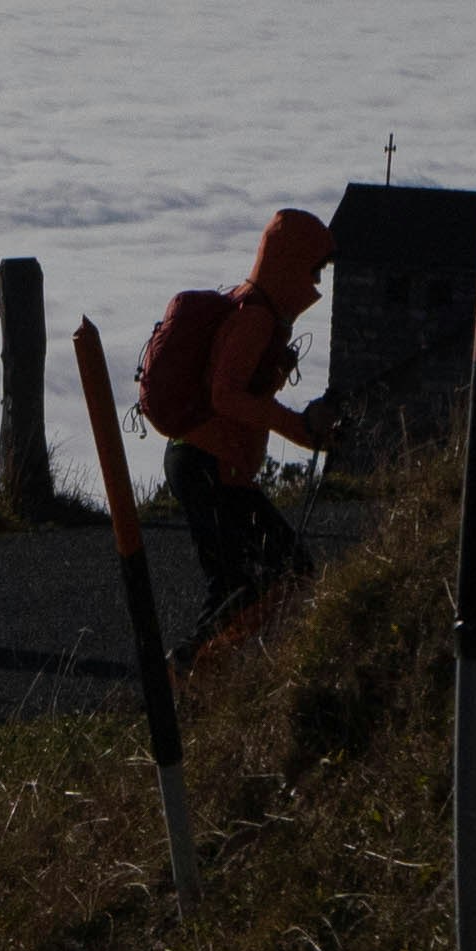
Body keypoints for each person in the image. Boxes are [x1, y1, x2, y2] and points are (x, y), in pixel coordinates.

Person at [165, 207, 339, 654]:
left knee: (238, 580)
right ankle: (194, 672)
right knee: (276, 572)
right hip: (211, 465)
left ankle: (207, 670)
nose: (318, 282)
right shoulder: (257, 319)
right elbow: (227, 397)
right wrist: (299, 426)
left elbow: (241, 403)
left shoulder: (253, 306)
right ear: (293, 263)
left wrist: (308, 434)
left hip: (200, 460)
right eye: (316, 269)